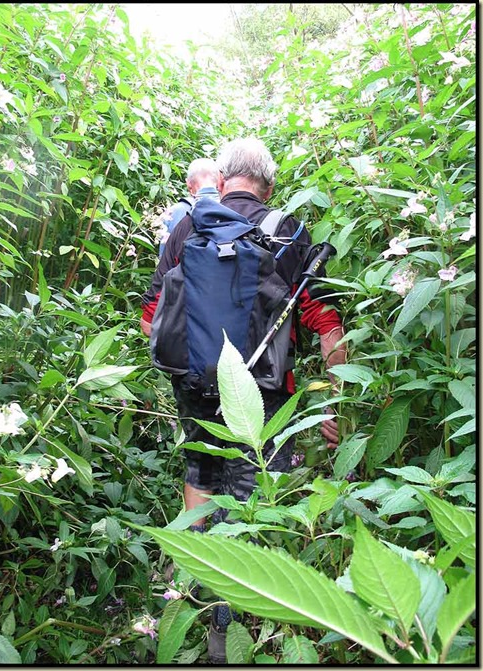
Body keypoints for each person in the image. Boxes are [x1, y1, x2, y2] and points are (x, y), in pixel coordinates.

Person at [140, 137, 346, 662]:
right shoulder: (289, 233)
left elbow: (152, 316)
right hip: (266, 392)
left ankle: (195, 584)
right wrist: (334, 405)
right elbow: (326, 324)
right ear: (269, 183)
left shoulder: (185, 227)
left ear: (224, 178)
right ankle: (243, 622)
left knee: (202, 473)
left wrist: (192, 366)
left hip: (194, 385)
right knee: (257, 490)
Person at [157, 157, 220, 257]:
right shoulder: (230, 208)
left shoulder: (172, 213)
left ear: (188, 184)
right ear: (219, 182)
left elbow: (164, 261)